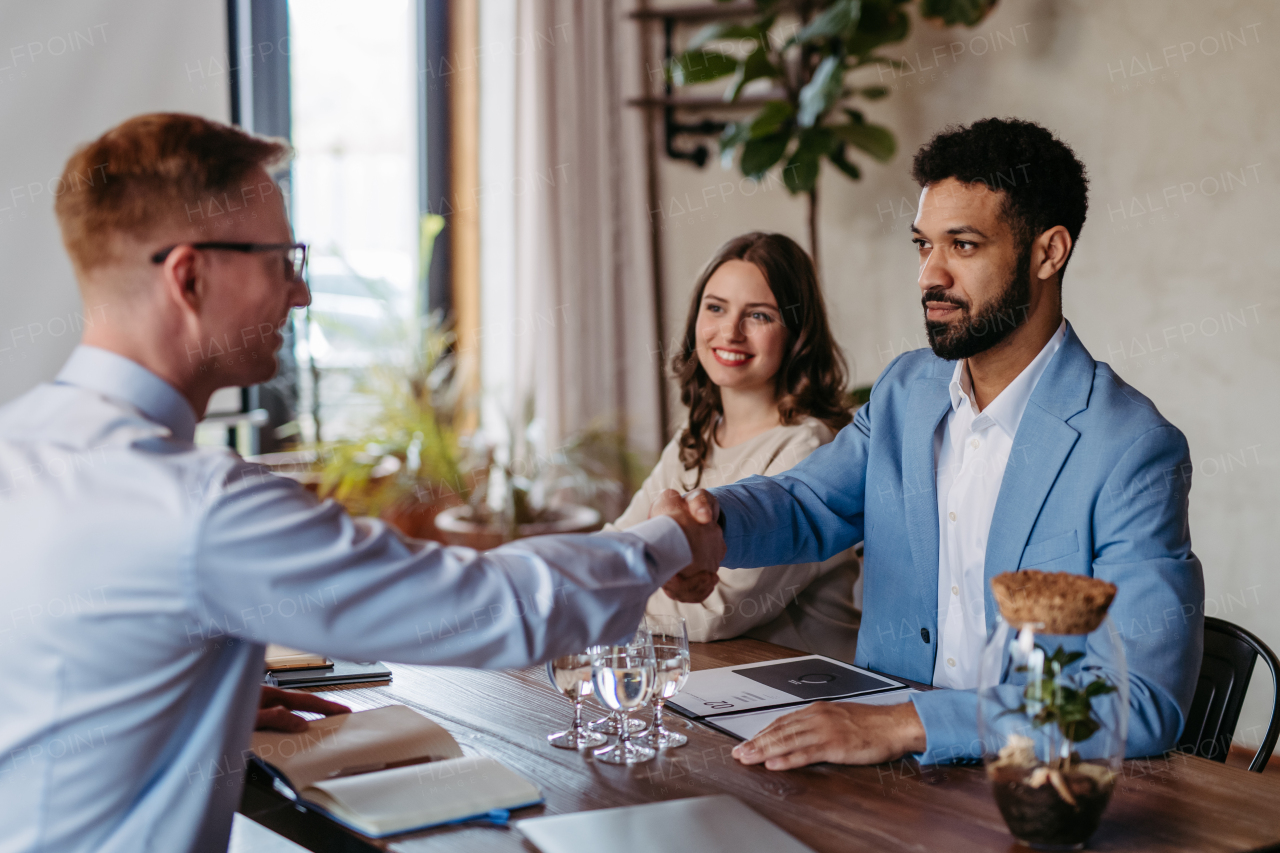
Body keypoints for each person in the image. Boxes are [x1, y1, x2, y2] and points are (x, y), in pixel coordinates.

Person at [0, 113, 722, 853]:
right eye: (282, 259)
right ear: (189, 276)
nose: (301, 293)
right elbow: (482, 605)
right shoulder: (195, 506)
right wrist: (671, 539)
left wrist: (164, 691)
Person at [675, 118, 1204, 770]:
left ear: (1048, 252)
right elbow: (808, 503)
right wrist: (713, 527)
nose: (931, 274)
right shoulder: (906, 390)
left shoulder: (1131, 448)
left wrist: (908, 724)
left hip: (1031, 787)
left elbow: (1140, 699)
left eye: (963, 245)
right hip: (881, 777)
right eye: (923, 244)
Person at [610, 233, 861, 660]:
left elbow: (711, 612)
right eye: (716, 308)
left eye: (759, 316)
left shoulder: (809, 445)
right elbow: (620, 541)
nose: (729, 331)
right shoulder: (697, 435)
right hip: (718, 680)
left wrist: (602, 595)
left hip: (804, 696)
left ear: (797, 333)